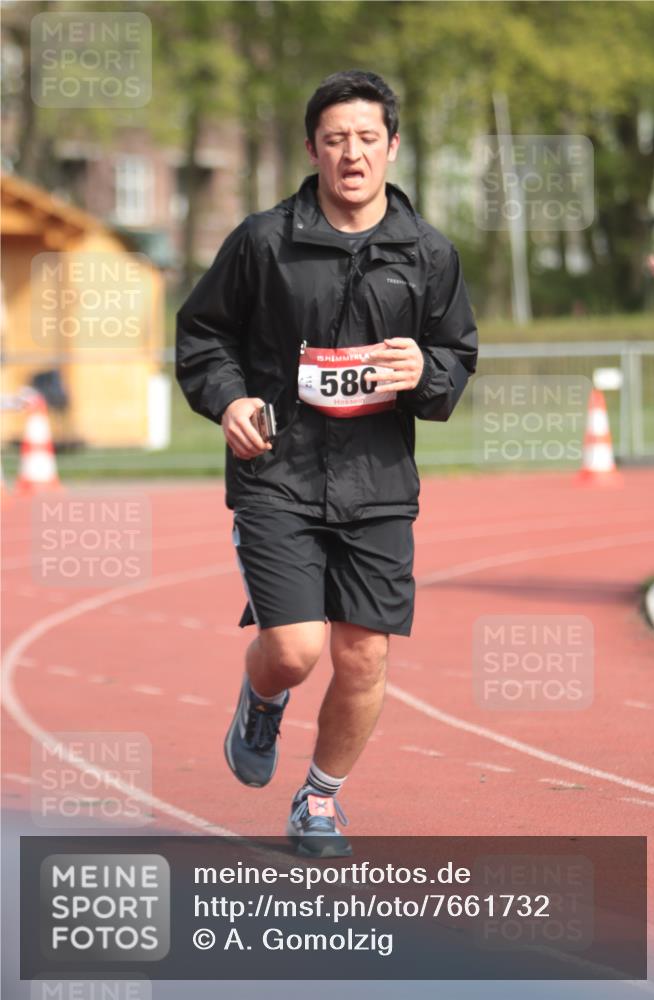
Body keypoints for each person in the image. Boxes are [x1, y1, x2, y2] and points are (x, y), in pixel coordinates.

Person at [176, 69, 478, 857]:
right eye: (336, 139)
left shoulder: (426, 253)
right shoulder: (263, 241)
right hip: (279, 470)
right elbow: (204, 335)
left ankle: (317, 800)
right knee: (295, 648)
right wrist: (230, 400)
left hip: (377, 481)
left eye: (367, 139)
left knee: (364, 653)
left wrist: (429, 374)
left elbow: (454, 355)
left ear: (392, 148)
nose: (352, 154)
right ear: (313, 148)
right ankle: (262, 698)